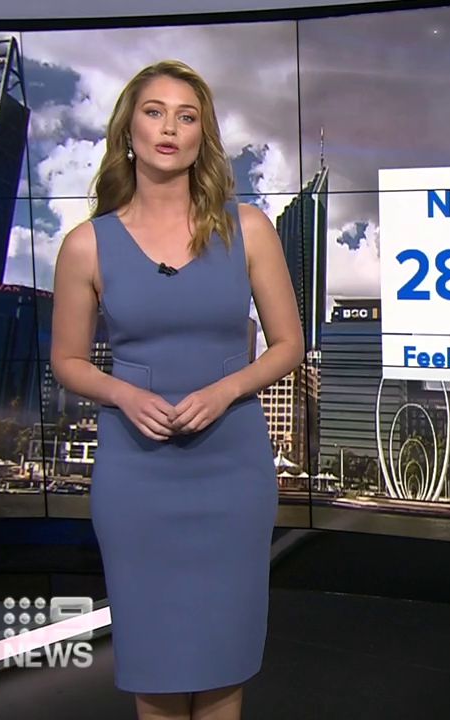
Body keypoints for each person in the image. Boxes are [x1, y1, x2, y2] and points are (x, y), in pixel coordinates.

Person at [50, 59, 303, 720]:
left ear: (201, 137)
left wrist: (225, 391)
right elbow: (68, 360)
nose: (170, 128)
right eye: (155, 112)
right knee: (156, 667)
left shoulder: (248, 229)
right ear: (128, 131)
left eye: (187, 116)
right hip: (137, 475)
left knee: (223, 665)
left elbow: (288, 345)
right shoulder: (86, 246)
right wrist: (124, 395)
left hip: (231, 471)